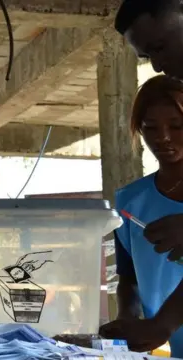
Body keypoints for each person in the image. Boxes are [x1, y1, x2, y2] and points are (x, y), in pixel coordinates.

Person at [99, 75, 183, 357]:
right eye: (150, 127)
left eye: (177, 126)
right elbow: (130, 276)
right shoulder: (129, 201)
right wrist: (128, 320)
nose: (163, 137)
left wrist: (163, 324)